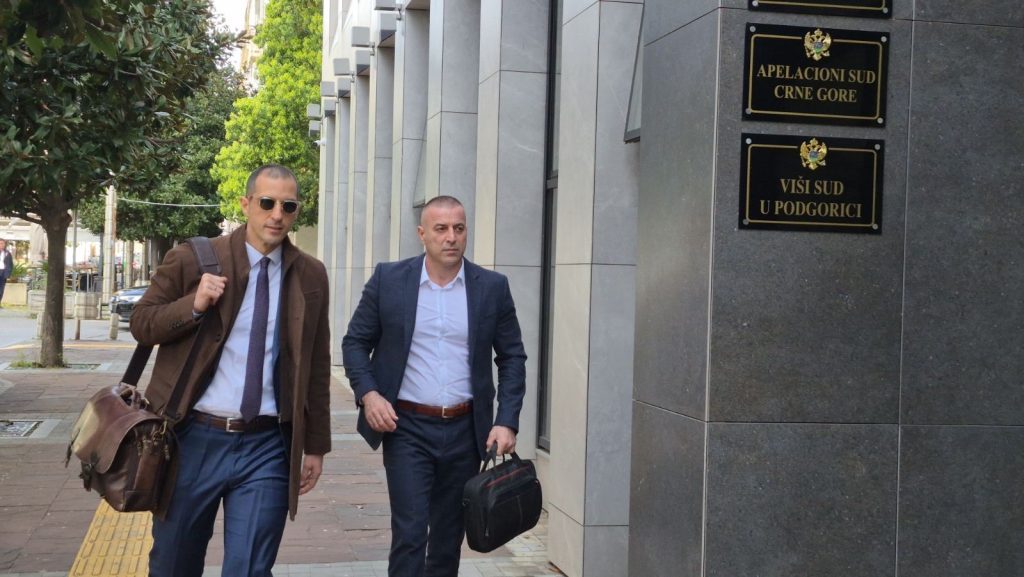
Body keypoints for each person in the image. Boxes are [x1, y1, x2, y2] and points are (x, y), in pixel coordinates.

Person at [131, 164, 332, 577]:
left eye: (288, 206)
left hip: (267, 445)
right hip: (193, 438)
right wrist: (193, 305)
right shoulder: (194, 258)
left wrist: (315, 445)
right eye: (267, 203)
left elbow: (316, 364)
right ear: (245, 204)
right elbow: (143, 323)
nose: (277, 214)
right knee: (173, 564)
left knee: (251, 568)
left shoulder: (310, 275)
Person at [342, 195, 527, 577]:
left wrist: (506, 420)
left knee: (447, 540)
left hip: (465, 432)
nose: (451, 237)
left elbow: (512, 357)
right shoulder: (389, 280)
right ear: (422, 233)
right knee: (410, 534)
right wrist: (369, 395)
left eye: (459, 228)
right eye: (441, 229)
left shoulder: (491, 287)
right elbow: (355, 343)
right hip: (407, 428)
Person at [0, 239, 11, 307]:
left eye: (2, 243)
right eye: (0, 243)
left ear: (4, 245)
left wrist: (8, 273)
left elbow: (10, 264)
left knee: (1, 289)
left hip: (3, 273)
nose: (1, 245)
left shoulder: (7, 253)